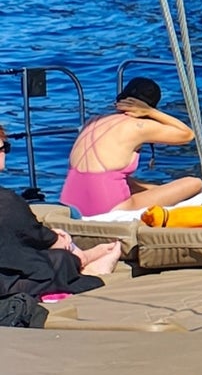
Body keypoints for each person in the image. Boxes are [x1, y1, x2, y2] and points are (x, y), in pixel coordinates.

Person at [0, 123, 122, 323]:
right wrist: (58, 239)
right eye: (4, 147)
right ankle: (85, 265)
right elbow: (35, 236)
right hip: (6, 287)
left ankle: (82, 258)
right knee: (55, 259)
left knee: (27, 254)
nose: (5, 152)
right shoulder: (6, 202)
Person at [60, 78, 202, 217]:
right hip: (108, 207)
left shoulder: (93, 121)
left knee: (135, 184)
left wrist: (155, 189)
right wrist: (151, 112)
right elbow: (187, 135)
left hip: (70, 202)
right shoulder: (138, 126)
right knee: (194, 183)